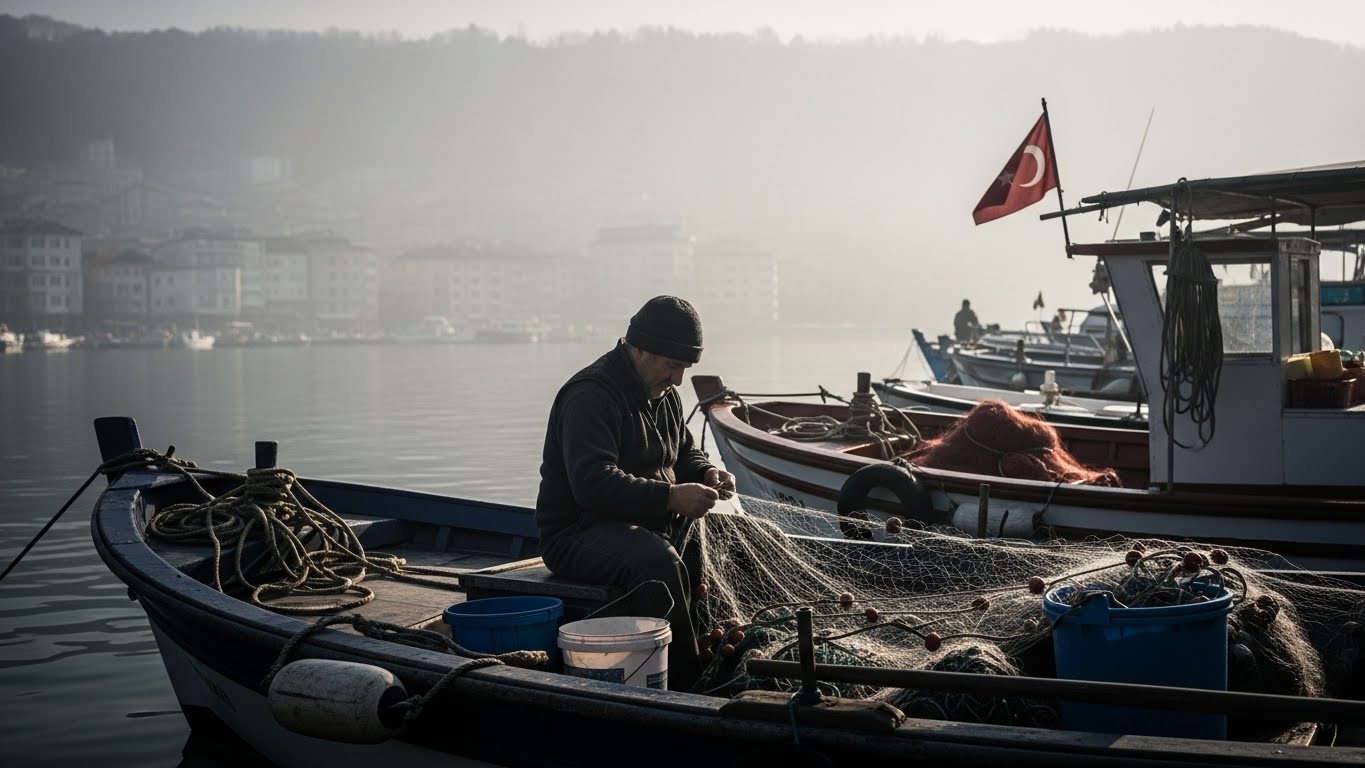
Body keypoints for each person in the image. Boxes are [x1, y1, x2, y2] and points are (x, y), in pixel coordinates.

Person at [535, 295, 736, 692]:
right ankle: (689, 685)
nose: (679, 379)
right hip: (576, 533)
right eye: (672, 365)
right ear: (638, 348)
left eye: (685, 367)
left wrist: (706, 471)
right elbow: (593, 484)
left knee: (736, 536)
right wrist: (670, 497)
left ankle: (720, 647)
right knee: (658, 563)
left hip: (644, 524)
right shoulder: (590, 395)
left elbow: (683, 451)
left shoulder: (663, 393)